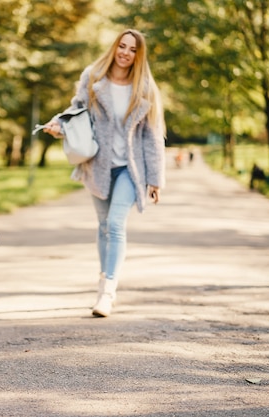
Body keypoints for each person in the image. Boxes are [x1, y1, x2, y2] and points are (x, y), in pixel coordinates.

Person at [43, 28, 166, 317]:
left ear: (139, 54)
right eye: (122, 46)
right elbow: (76, 109)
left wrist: (155, 179)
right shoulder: (94, 76)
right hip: (98, 164)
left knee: (114, 224)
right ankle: (104, 279)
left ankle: (107, 292)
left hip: (130, 169)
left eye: (133, 49)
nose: (125, 52)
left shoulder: (145, 87)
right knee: (103, 226)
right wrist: (58, 125)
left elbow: (152, 134)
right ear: (114, 47)